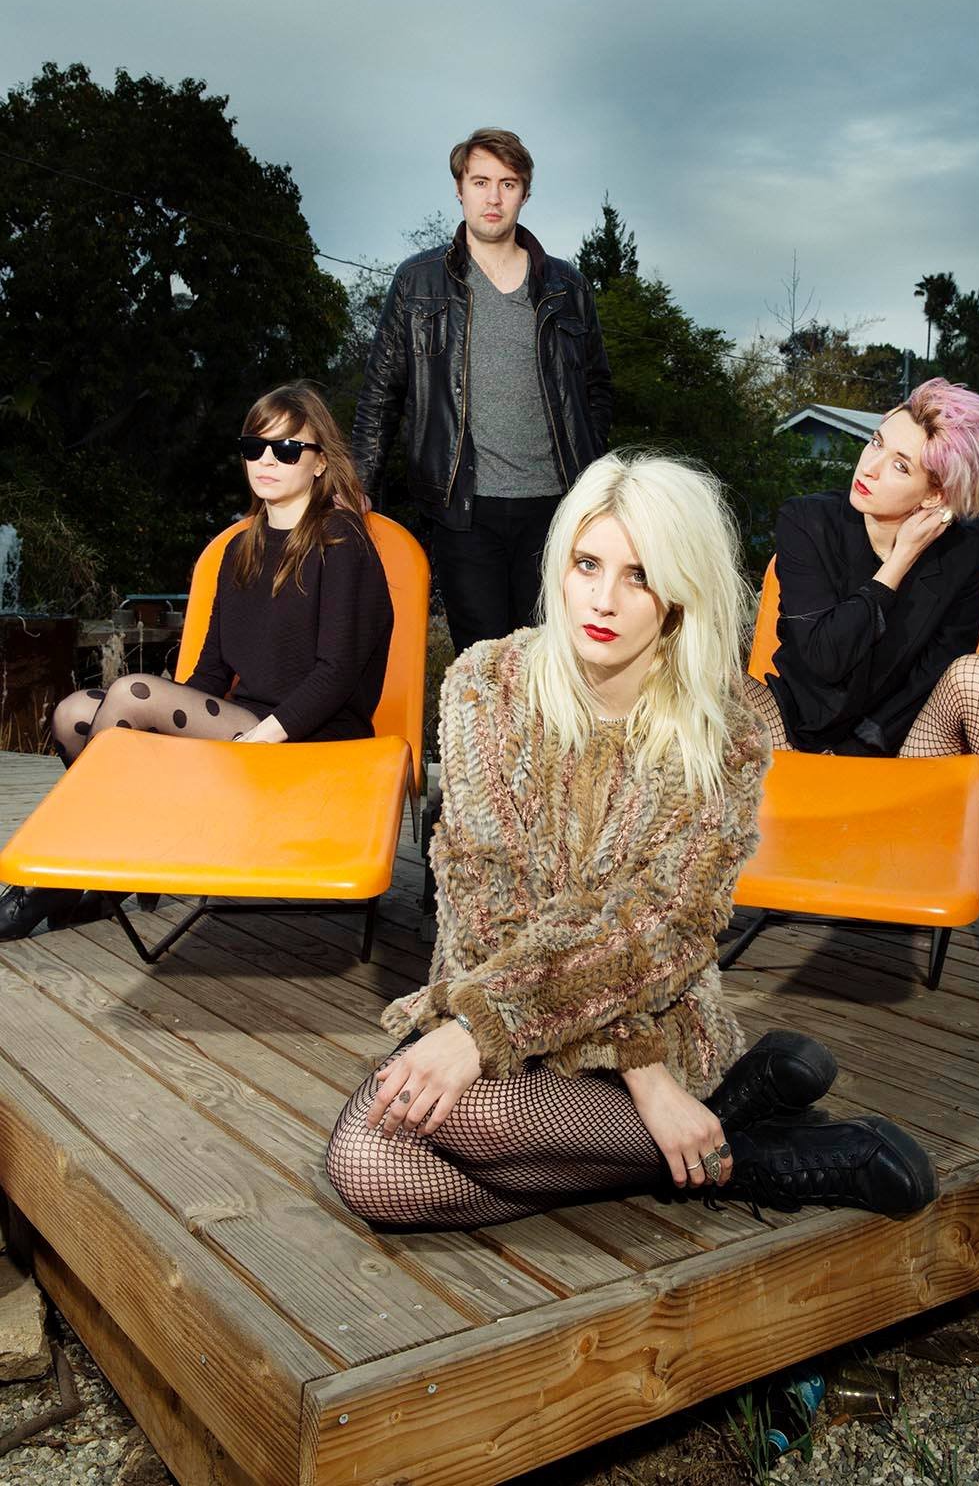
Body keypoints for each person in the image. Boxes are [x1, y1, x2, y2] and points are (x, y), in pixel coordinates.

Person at [325, 453, 937, 1229]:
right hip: (496, 979)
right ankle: (744, 1150)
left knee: (467, 1121)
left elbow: (662, 928)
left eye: (640, 576)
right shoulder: (486, 684)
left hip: (649, 1013)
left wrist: (641, 1072)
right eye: (587, 564)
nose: (603, 600)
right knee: (366, 1168)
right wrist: (483, 1026)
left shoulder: (722, 731)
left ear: (679, 595)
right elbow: (486, 901)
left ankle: (704, 1129)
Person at [0, 382, 394, 941]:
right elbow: (210, 671)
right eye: (254, 447)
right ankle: (110, 872)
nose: (266, 461)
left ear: (320, 462)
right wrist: (168, 736)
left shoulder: (341, 541)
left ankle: (52, 882)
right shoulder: (240, 549)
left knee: (133, 693)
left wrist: (263, 736)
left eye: (287, 449)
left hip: (314, 737)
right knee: (72, 713)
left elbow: (338, 671)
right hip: (244, 722)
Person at [746, 378, 979, 1010]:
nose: (869, 467)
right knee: (708, 679)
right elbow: (821, 657)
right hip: (792, 737)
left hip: (899, 750)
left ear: (935, 494)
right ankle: (678, 883)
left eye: (900, 465)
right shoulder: (807, 521)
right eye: (876, 444)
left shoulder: (967, 554)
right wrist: (892, 570)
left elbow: (932, 675)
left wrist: (865, 757)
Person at [351, 128, 613, 655]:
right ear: (459, 189)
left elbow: (596, 390)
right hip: (462, 508)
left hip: (556, 508)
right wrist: (359, 485)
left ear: (525, 193)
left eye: (507, 184)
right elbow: (381, 393)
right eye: (480, 182)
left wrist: (594, 483)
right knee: (481, 661)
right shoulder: (418, 281)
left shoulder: (567, 286)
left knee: (552, 659)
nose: (493, 197)